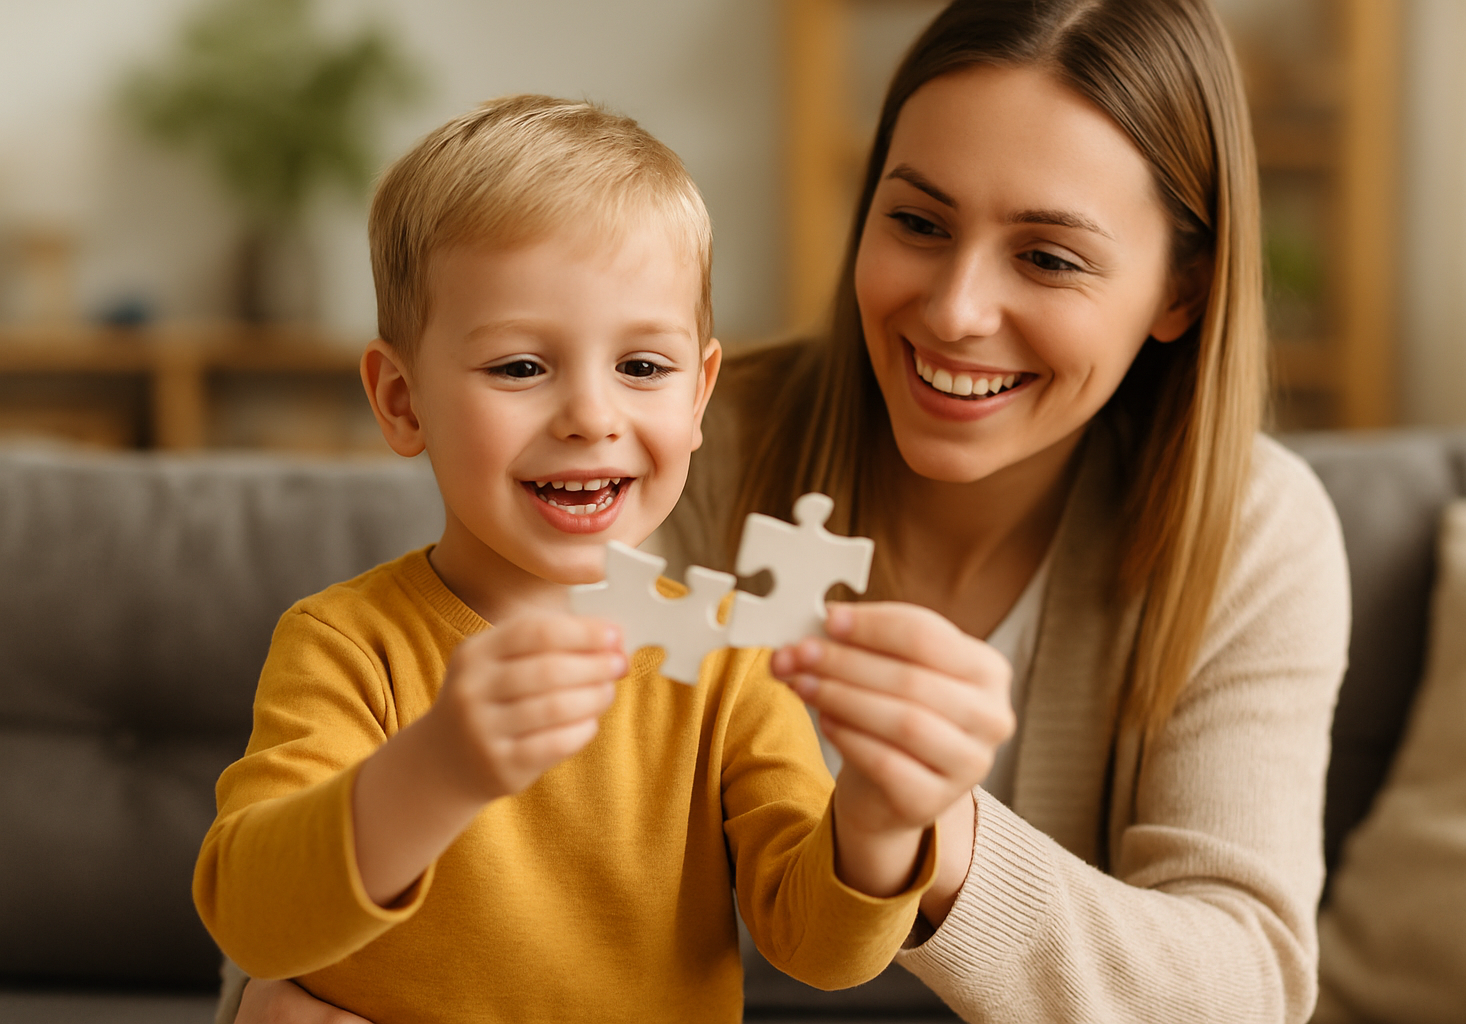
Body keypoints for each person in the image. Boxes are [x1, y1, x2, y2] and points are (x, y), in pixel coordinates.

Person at [236, 0, 1351, 1020]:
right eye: (917, 222)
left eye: (1049, 256)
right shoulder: (673, 452)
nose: (957, 310)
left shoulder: (1252, 532)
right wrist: (274, 997)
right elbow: (351, 829)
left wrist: (923, 830)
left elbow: (1246, 984)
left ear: (1180, 290)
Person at [196, 94, 1018, 1024]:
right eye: (519, 367)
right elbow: (253, 921)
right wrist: (438, 770)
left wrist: (878, 820)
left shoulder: (729, 662)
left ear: (702, 394)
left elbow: (820, 951)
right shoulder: (346, 645)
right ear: (401, 400)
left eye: (642, 367)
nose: (591, 416)